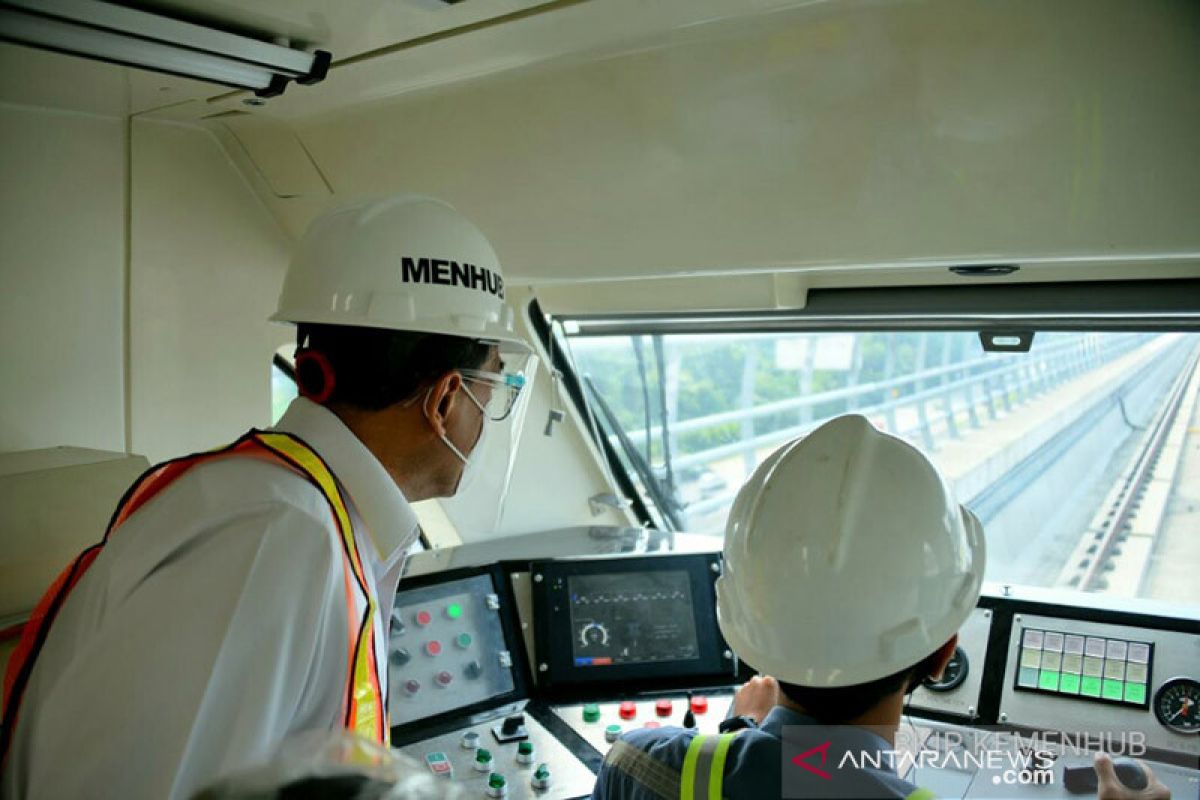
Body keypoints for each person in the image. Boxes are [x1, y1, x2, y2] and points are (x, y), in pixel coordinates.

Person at [0, 195, 532, 800]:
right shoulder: (274, 535)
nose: (490, 412)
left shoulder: (304, 510)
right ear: (445, 399)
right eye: (495, 384)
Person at [591, 414, 1170, 800]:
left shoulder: (637, 765)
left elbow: (758, 778)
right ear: (944, 655)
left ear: (745, 635)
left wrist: (743, 730)